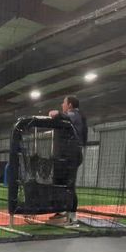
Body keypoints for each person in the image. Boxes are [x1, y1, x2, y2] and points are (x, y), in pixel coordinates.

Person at [44, 95, 87, 225]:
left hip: (71, 155)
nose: (62, 105)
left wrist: (57, 113)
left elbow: (66, 116)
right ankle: (61, 211)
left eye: (64, 103)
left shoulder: (75, 114)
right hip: (63, 155)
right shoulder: (70, 117)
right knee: (59, 183)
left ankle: (72, 216)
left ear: (70, 105)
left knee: (69, 185)